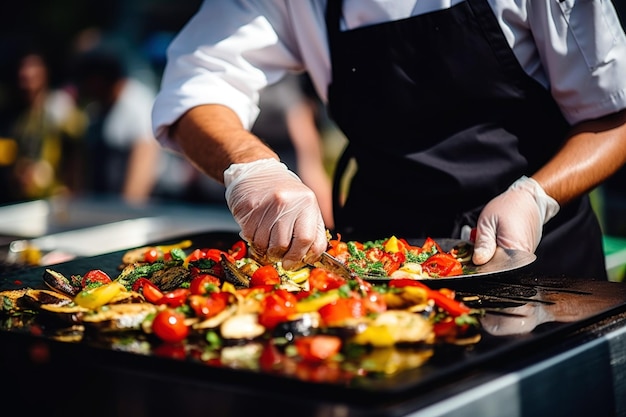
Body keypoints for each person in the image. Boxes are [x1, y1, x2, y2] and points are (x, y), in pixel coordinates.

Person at [152, 0, 626, 278]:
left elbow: (615, 115)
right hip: (376, 261)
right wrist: (251, 165)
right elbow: (197, 82)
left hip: (542, 257)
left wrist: (536, 196)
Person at [72, 46, 163, 204]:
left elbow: (142, 170)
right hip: (100, 205)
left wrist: (124, 214)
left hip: (132, 212)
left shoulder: (138, 106)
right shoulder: (97, 108)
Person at [0, 48, 86, 202]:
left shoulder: (59, 107)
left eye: (33, 66)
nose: (26, 73)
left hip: (55, 200)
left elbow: (78, 151)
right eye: (22, 67)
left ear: (45, 71)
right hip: (17, 200)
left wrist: (72, 188)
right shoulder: (11, 115)